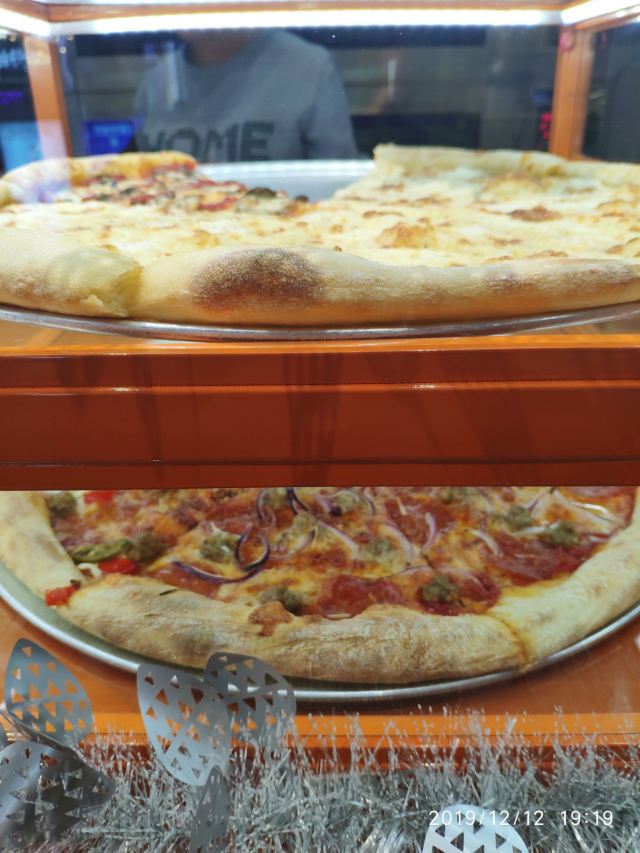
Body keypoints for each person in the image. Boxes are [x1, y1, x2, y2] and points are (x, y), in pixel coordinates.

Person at [134, 29, 359, 162]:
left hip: (283, 223)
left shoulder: (309, 65)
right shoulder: (158, 78)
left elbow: (339, 183)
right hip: (173, 225)